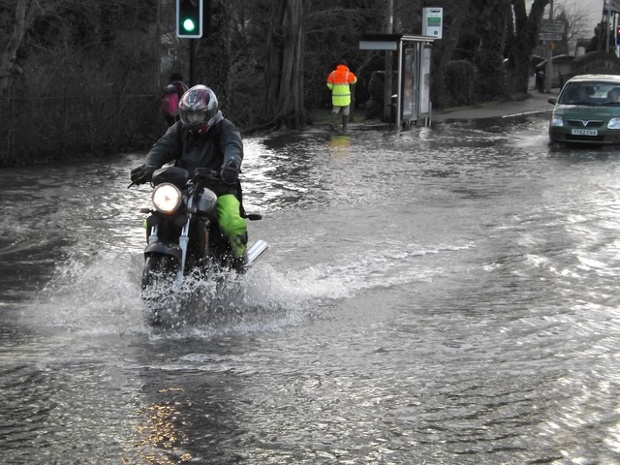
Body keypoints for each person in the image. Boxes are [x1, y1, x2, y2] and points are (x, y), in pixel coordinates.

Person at [131, 84, 248, 271]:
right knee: (154, 217)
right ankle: (157, 258)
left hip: (219, 187)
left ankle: (240, 262)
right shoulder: (179, 130)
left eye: (198, 114)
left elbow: (233, 146)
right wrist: (149, 166)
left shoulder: (224, 128)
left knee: (231, 222)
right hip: (183, 188)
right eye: (189, 114)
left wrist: (231, 165)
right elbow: (162, 147)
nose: (193, 119)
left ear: (209, 112)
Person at [326, 60, 357, 131]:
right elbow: (354, 80)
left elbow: (329, 85)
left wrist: (334, 88)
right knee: (346, 111)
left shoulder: (333, 73)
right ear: (346, 66)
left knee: (335, 110)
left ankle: (331, 124)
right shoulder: (348, 73)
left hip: (336, 96)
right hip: (345, 96)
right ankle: (345, 126)